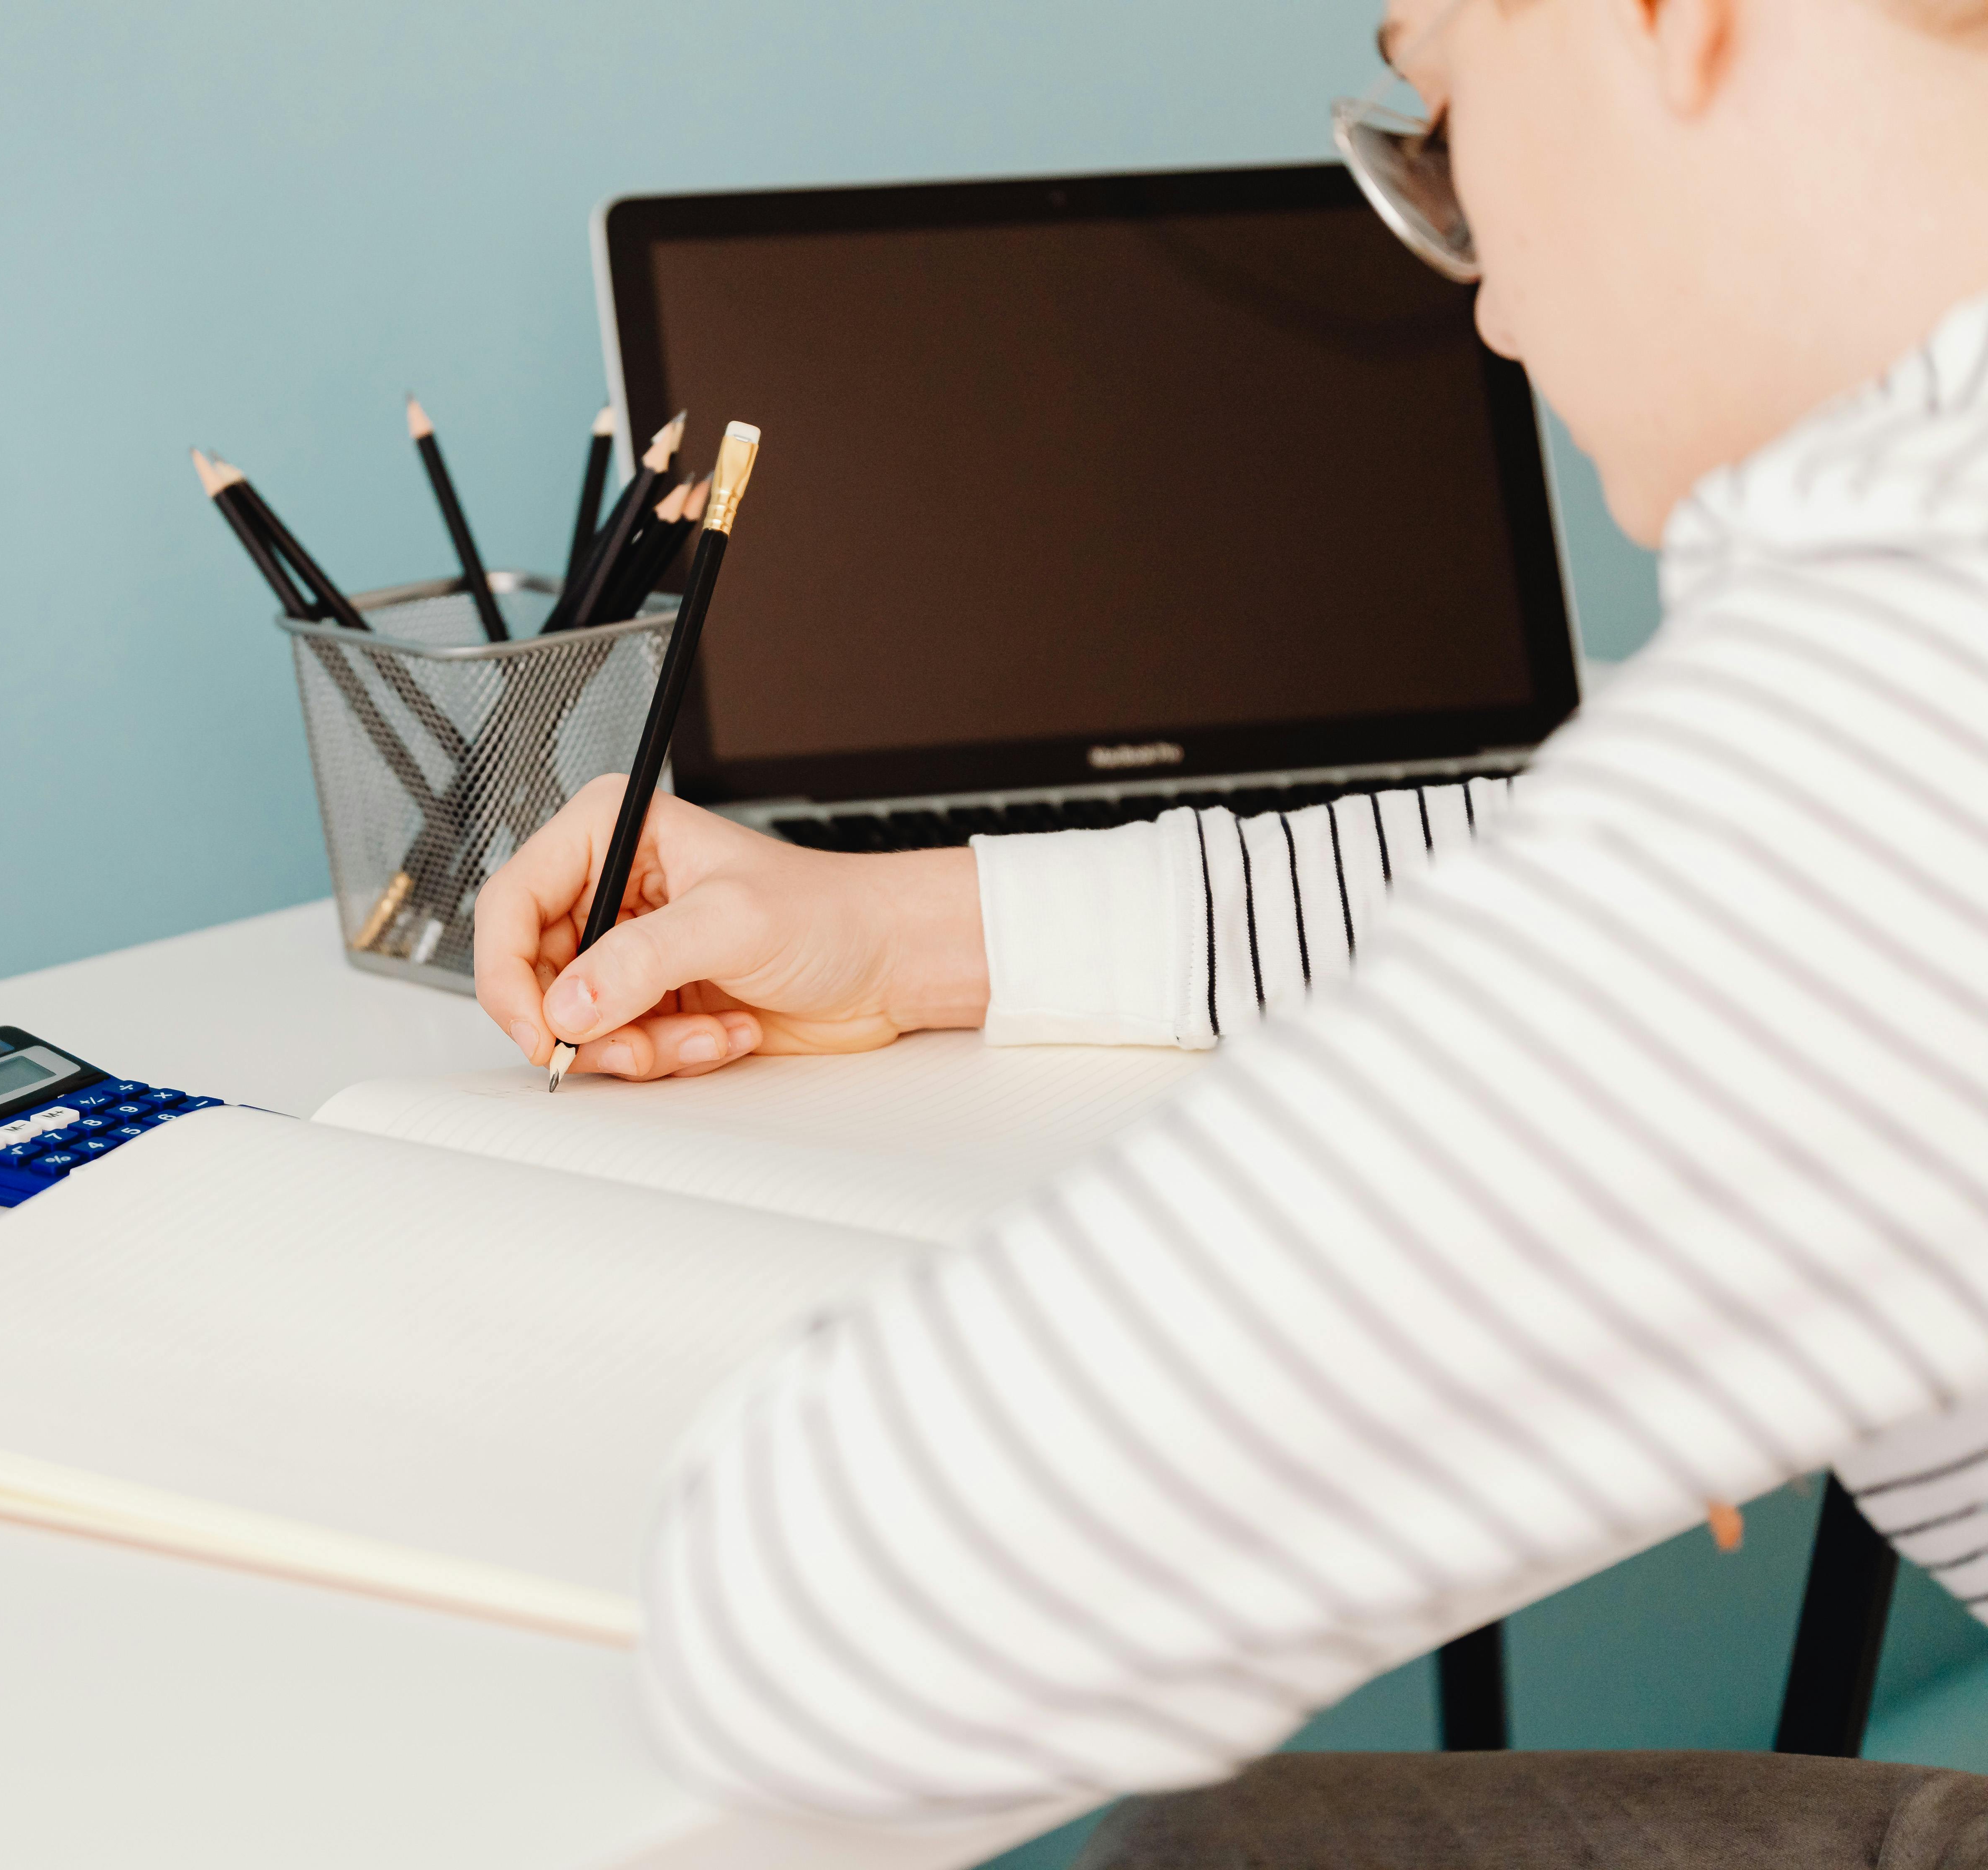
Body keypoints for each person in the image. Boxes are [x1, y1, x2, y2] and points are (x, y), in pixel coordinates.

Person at [472, 0, 1988, 1856]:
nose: (1487, 300)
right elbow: (1554, 857)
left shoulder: (1910, 713)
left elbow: (844, 1615)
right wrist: (909, 931)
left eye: (1443, 123)